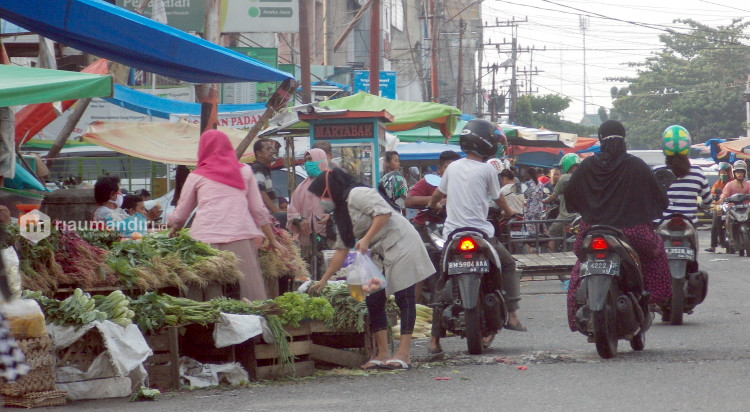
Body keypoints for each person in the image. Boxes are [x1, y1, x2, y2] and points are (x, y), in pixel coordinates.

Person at [308, 168, 434, 370]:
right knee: (374, 298)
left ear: (330, 189)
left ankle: (404, 353)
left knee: (404, 295)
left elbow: (383, 213)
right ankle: (382, 353)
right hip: (377, 251)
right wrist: (323, 279)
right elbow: (341, 249)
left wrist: (365, 238)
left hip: (400, 242)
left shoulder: (358, 193)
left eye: (322, 195)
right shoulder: (341, 212)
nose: (322, 201)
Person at [426, 119, 526, 355]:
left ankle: (434, 342)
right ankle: (512, 315)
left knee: (442, 282)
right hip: (481, 234)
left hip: (453, 235)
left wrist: (434, 205)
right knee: (508, 264)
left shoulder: (452, 168)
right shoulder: (488, 170)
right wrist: (509, 211)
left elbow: (437, 194)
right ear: (487, 143)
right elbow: (499, 198)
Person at [563, 120, 671, 332]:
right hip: (633, 232)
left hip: (591, 231)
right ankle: (653, 298)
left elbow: (570, 194)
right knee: (656, 250)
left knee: (581, 262)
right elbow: (659, 195)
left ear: (600, 140)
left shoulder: (587, 165)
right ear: (624, 139)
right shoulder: (636, 165)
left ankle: (577, 309)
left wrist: (589, 210)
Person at [168, 130, 285, 302]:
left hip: (205, 243)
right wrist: (272, 239)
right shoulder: (245, 172)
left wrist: (173, 231)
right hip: (240, 239)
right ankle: (250, 326)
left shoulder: (196, 176)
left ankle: (212, 327)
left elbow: (180, 215)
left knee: (210, 294)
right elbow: (258, 210)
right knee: (247, 295)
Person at [405, 150, 462, 303]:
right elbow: (408, 201)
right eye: (447, 167)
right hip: (424, 228)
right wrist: (436, 200)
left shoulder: (463, 184)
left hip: (451, 230)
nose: (451, 172)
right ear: (439, 169)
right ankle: (418, 308)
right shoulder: (429, 181)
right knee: (425, 269)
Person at [286, 148, 332, 276]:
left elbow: (344, 207)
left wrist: (330, 216)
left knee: (329, 276)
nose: (307, 163)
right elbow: (291, 210)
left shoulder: (332, 182)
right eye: (305, 160)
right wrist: (299, 219)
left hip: (329, 239)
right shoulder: (301, 187)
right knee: (309, 276)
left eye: (310, 159)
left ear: (320, 160)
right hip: (308, 241)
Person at [654, 125, 711, 225]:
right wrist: (701, 205)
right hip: (689, 224)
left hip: (661, 224)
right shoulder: (697, 172)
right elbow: (708, 200)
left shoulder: (656, 171)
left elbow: (647, 199)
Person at [543, 154, 581, 251]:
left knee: (550, 235)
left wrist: (544, 201)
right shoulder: (584, 176)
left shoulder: (564, 178)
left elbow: (554, 196)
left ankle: (550, 258)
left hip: (565, 216)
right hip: (580, 217)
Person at [718, 159, 750, 255]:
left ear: (744, 173)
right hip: (733, 208)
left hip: (746, 208)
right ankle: (730, 238)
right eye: (737, 173)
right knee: (727, 217)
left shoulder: (748, 184)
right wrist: (721, 200)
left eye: (741, 173)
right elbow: (724, 195)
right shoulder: (729, 185)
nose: (739, 175)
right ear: (734, 173)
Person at [706, 162, 733, 253]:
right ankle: (713, 246)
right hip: (719, 207)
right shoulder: (717, 183)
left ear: (729, 173)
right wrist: (715, 196)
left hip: (730, 207)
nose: (723, 174)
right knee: (714, 226)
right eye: (721, 173)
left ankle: (732, 244)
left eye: (724, 173)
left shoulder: (732, 183)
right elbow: (713, 192)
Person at [522, 167, 545, 237]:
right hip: (539, 208)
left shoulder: (527, 184)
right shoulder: (541, 184)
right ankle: (537, 246)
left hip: (530, 209)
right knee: (537, 231)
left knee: (530, 232)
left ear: (528, 174)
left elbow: (527, 196)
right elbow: (541, 195)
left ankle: (532, 246)